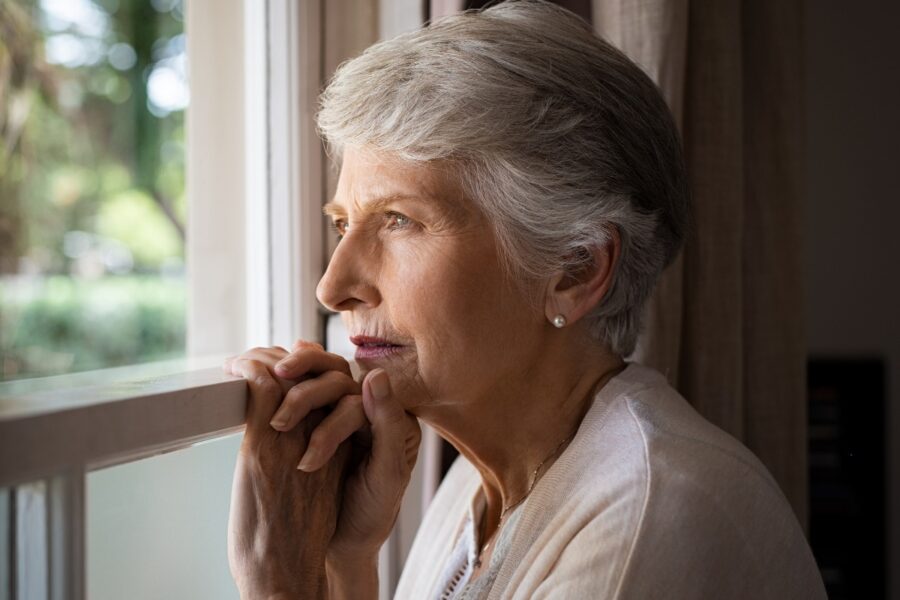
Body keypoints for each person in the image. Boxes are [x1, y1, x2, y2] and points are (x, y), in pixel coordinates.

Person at [224, 1, 827, 598]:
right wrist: (347, 561)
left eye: (400, 221)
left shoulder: (649, 515)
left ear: (575, 269)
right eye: (342, 224)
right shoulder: (476, 487)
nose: (333, 288)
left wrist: (281, 586)